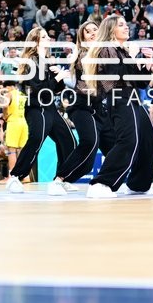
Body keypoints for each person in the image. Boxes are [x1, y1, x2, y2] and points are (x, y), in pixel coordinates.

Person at [83, 15, 153, 198]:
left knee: (149, 142)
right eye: (121, 25)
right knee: (128, 141)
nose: (127, 27)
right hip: (119, 98)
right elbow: (115, 76)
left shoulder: (123, 51)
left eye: (126, 24)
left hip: (132, 98)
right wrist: (133, 57)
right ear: (111, 30)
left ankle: (138, 184)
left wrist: (147, 66)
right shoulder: (106, 49)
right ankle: (101, 183)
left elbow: (140, 83)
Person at [5, 27, 77, 194]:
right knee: (36, 139)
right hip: (37, 107)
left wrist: (59, 75)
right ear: (35, 40)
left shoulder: (48, 59)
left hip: (50, 107)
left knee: (69, 141)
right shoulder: (31, 61)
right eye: (44, 36)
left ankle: (61, 179)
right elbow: (38, 89)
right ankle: (15, 177)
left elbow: (55, 89)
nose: (49, 39)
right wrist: (57, 79)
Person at [53, 21, 116, 193]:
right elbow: (101, 80)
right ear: (83, 37)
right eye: (87, 32)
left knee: (112, 148)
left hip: (99, 107)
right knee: (89, 141)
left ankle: (110, 182)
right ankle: (58, 180)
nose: (92, 33)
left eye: (95, 30)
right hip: (81, 105)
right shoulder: (81, 55)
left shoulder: (105, 53)